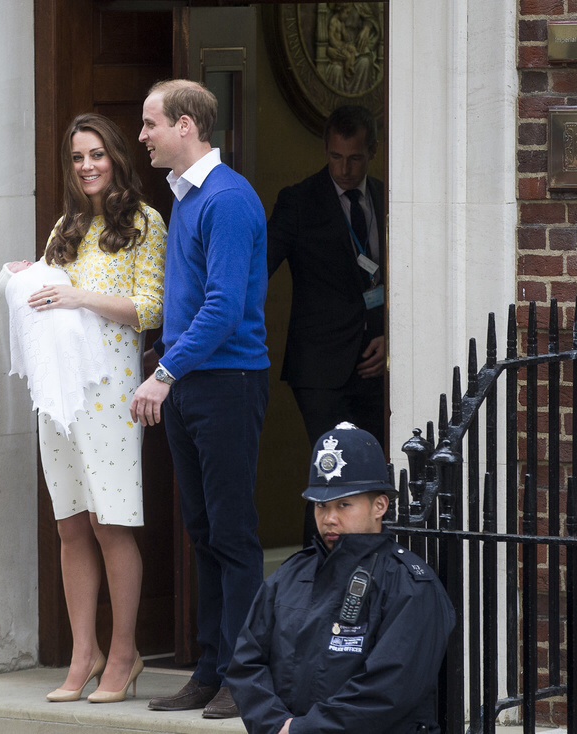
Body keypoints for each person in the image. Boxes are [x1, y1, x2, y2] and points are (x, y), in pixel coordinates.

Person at [4, 112, 166, 704]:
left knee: (110, 525)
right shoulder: (66, 226)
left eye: (96, 154)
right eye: (78, 158)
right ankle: (83, 654)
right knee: (71, 526)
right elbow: (47, 300)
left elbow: (152, 308)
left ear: (116, 156)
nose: (87, 166)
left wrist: (78, 295)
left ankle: (123, 654)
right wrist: (31, 277)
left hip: (112, 394)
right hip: (60, 396)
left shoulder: (144, 223)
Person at [130, 79, 270, 719]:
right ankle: (210, 669)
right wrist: (172, 372)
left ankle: (245, 677)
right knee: (205, 532)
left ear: (187, 126)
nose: (142, 136)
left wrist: (165, 372)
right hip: (192, 384)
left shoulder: (229, 199)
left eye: (150, 123)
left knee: (234, 535)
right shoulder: (187, 200)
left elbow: (225, 307)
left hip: (228, 382)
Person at [229, 422, 456, 734]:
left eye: (344, 505)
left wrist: (303, 730)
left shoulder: (410, 585)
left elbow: (390, 689)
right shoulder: (289, 576)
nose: (329, 518)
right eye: (321, 506)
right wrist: (276, 726)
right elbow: (246, 663)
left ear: (380, 506)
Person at [266, 104, 386, 545]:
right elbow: (259, 268)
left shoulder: (386, 196)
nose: (344, 168)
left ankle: (370, 573)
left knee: (373, 474)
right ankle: (316, 573)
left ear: (371, 151)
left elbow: (402, 277)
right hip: (319, 368)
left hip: (377, 365)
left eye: (354, 158)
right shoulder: (298, 201)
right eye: (336, 157)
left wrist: (389, 338)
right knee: (329, 471)